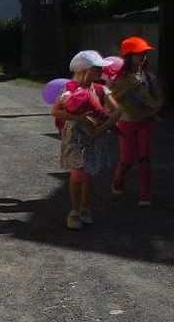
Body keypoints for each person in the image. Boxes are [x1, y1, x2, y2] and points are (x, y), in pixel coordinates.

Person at [51, 51, 120, 229]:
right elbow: (56, 111)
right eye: (97, 68)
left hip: (94, 136)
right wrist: (79, 118)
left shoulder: (101, 89)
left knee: (89, 174)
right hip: (75, 135)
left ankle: (85, 208)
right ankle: (74, 211)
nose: (101, 71)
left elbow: (117, 111)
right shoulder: (69, 89)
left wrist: (101, 130)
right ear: (86, 70)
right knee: (77, 173)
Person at [109, 36, 163, 207]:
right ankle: (119, 179)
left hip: (146, 122)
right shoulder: (117, 80)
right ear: (129, 56)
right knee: (127, 160)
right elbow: (109, 103)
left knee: (144, 159)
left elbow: (159, 98)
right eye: (138, 54)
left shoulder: (148, 77)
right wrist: (121, 94)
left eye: (144, 53)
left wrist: (153, 110)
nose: (142, 57)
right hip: (125, 123)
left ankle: (145, 194)